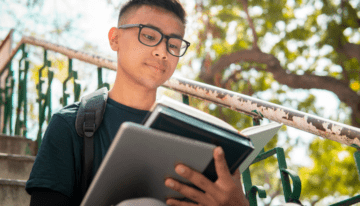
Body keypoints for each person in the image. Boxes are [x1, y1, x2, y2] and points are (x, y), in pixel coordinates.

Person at [25, 0, 250, 205]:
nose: (162, 52)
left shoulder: (193, 136)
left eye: (173, 45)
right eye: (150, 36)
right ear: (115, 39)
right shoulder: (71, 124)